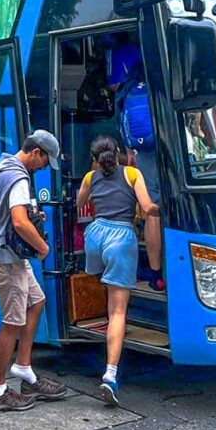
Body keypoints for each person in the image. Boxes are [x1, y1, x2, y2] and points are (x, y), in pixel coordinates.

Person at [0, 129, 68, 411]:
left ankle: (24, 370)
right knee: (12, 321)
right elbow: (19, 222)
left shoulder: (1, 164)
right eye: (43, 161)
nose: (42, 167)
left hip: (6, 253)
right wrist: (43, 247)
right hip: (4, 258)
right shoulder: (18, 178)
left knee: (36, 302)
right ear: (36, 152)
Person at [75, 135, 159, 406]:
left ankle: (113, 328)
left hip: (95, 238)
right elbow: (147, 208)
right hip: (120, 238)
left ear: (95, 157)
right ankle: (110, 375)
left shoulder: (90, 176)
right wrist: (165, 207)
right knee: (118, 311)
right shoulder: (133, 173)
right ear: (120, 153)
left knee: (108, 287)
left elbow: (79, 204)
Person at [109, 37, 165, 292]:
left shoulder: (125, 75)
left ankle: (156, 273)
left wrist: (130, 149)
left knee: (152, 209)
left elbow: (117, 101)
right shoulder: (163, 68)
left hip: (143, 149)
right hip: (169, 147)